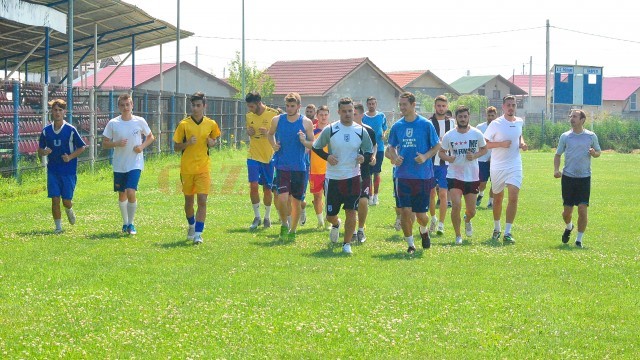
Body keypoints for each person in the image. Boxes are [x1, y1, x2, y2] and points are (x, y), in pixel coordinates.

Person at [312, 97, 373, 254]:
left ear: (354, 111)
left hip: (352, 177)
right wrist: (328, 157)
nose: (347, 114)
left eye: (350, 111)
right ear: (338, 112)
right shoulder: (331, 129)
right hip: (333, 178)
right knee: (330, 215)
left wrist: (363, 157)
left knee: (351, 211)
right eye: (344, 111)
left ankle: (347, 245)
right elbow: (316, 147)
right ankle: (336, 223)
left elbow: (368, 150)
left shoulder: (361, 131)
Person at [386, 92, 440, 253]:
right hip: (402, 176)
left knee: (421, 216)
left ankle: (423, 231)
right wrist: (395, 158)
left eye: (404, 105)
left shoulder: (426, 125)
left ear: (413, 104)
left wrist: (425, 156)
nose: (402, 108)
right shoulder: (397, 126)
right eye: (400, 105)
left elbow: (437, 146)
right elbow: (390, 148)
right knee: (405, 211)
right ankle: (410, 245)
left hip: (422, 176)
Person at [102, 93, 155, 235]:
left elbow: (150, 136)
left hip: (135, 163)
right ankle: (125, 223)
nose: (126, 107)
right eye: (123, 105)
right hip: (120, 164)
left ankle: (131, 224)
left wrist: (141, 147)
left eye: (128, 104)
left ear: (132, 105)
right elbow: (104, 143)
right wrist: (116, 143)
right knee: (122, 195)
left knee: (131, 191)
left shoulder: (139, 121)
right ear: (119, 107)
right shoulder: (113, 123)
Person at [173, 92, 221, 244]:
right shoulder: (183, 125)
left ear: (204, 106)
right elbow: (175, 147)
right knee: (188, 202)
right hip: (187, 169)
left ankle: (198, 234)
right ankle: (191, 225)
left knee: (202, 200)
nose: (195, 108)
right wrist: (187, 143)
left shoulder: (211, 124)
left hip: (203, 168)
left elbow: (214, 140)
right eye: (193, 105)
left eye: (198, 105)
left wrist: (212, 143)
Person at [268, 92, 315, 241]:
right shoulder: (277, 120)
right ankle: (284, 224)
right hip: (282, 166)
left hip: (299, 167)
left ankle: (293, 230)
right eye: (287, 106)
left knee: (296, 202)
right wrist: (273, 145)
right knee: (282, 198)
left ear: (298, 107)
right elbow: (270, 135)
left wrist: (303, 141)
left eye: (292, 106)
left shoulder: (306, 122)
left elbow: (312, 144)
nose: (289, 109)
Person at [438, 105, 487, 245]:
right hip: (454, 175)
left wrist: (476, 154)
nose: (463, 119)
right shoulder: (450, 135)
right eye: (460, 117)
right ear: (456, 118)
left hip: (472, 176)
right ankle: (458, 235)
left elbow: (484, 149)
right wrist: (448, 158)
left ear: (468, 117)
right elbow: (441, 152)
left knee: (472, 211)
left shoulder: (477, 133)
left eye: (465, 116)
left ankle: (467, 220)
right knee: (456, 205)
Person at [37, 99, 86, 234]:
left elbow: (82, 147)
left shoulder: (70, 129)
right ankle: (58, 228)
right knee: (54, 199)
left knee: (66, 201)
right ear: (51, 112)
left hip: (68, 170)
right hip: (53, 170)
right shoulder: (46, 131)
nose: (57, 112)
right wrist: (44, 152)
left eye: (60, 110)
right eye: (55, 110)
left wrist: (70, 157)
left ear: (64, 112)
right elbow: (39, 150)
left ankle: (69, 209)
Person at [483, 95, 527, 243]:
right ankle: (497, 228)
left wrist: (522, 143)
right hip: (498, 166)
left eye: (513, 105)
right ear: (503, 107)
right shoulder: (496, 124)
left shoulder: (519, 121)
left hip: (514, 164)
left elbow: (519, 135)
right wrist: (501, 144)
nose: (511, 107)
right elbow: (485, 144)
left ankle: (508, 232)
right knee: (498, 199)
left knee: (513, 196)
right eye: (508, 105)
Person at [554, 109, 601, 248]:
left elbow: (598, 152)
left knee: (582, 209)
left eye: (574, 116)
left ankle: (579, 240)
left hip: (584, 178)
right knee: (567, 212)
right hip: (568, 178)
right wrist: (556, 170)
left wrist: (594, 153)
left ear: (582, 120)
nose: (571, 118)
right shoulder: (565, 136)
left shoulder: (591, 136)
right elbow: (557, 155)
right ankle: (569, 227)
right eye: (571, 116)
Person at [245, 91, 279, 230]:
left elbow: (279, 133)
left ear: (259, 103)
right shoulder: (249, 116)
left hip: (269, 157)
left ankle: (267, 217)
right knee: (253, 186)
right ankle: (257, 216)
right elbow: (249, 131)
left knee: (267, 189)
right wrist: (249, 132)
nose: (250, 109)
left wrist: (270, 133)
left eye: (252, 106)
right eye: (248, 107)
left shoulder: (274, 114)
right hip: (253, 155)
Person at [428, 95, 455, 236]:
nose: (441, 108)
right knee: (431, 194)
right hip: (430, 163)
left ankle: (441, 225)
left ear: (447, 107)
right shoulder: (428, 123)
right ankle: (433, 218)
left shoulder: (452, 123)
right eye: (439, 106)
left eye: (444, 106)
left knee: (443, 194)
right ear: (435, 106)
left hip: (445, 164)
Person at [353, 102, 377, 243]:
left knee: (363, 201)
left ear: (362, 115)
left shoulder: (369, 130)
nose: (351, 116)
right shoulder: (343, 130)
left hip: (365, 171)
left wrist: (372, 156)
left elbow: (374, 145)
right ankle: (352, 231)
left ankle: (361, 230)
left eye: (355, 114)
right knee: (351, 204)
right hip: (348, 172)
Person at [363, 96, 388, 206]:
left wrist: (383, 134)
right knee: (368, 173)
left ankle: (376, 196)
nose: (372, 105)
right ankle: (370, 196)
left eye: (373, 103)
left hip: (380, 148)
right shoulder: (363, 116)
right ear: (367, 105)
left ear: (376, 104)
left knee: (377, 172)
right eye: (370, 104)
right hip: (367, 149)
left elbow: (385, 128)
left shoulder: (381, 116)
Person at [309, 105, 330, 229]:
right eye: (321, 115)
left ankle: (329, 220)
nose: (323, 117)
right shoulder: (312, 131)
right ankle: (320, 220)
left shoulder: (332, 130)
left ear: (328, 115)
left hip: (330, 171)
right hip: (315, 170)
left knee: (330, 197)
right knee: (317, 196)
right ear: (317, 116)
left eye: (325, 114)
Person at [475, 106, 497, 208]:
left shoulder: (499, 128)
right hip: (482, 159)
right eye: (489, 115)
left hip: (496, 160)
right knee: (482, 182)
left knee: (495, 182)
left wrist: (493, 156)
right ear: (486, 116)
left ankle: (490, 202)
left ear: (496, 116)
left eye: (492, 115)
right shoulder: (480, 127)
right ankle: (481, 194)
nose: (491, 117)